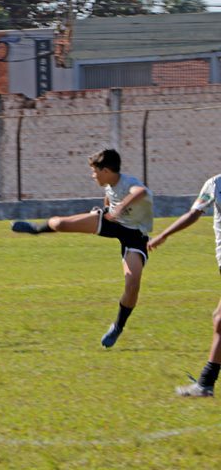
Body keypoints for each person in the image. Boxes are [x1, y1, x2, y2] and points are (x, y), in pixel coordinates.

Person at [11, 148, 153, 348]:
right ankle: (35, 229)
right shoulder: (110, 184)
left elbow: (141, 192)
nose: (92, 175)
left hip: (135, 236)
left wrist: (120, 208)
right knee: (61, 224)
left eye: (95, 171)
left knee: (132, 285)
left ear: (106, 171)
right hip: (111, 222)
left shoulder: (130, 184)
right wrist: (106, 210)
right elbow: (109, 197)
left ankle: (118, 326)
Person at [147, 173, 221, 397]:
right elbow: (194, 213)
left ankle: (205, 384)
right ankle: (206, 384)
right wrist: (164, 235)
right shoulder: (215, 183)